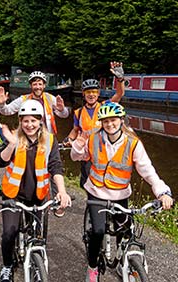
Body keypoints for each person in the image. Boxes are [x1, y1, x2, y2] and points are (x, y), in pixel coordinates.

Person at [69, 102, 174, 282]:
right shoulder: (93, 138)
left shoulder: (133, 143)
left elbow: (147, 170)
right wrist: (78, 145)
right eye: (106, 121)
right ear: (101, 122)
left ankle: (121, 263)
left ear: (121, 120)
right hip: (97, 192)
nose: (110, 124)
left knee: (124, 232)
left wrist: (162, 192)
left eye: (114, 120)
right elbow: (77, 157)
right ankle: (92, 267)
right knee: (98, 231)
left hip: (121, 194)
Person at [0, 99, 72, 282]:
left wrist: (62, 191)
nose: (29, 125)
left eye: (33, 120)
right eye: (25, 121)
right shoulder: (14, 137)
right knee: (8, 233)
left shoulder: (50, 140)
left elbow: (56, 167)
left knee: (39, 235)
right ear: (20, 121)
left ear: (40, 121)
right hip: (13, 194)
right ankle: (7, 267)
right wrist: (11, 144)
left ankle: (37, 264)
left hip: (38, 195)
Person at [64, 62, 125, 190]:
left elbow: (119, 94)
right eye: (88, 92)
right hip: (86, 153)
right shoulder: (78, 112)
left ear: (98, 94)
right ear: (84, 94)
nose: (91, 95)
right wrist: (69, 139)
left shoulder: (104, 107)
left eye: (94, 92)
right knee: (87, 183)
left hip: (104, 151)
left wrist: (120, 79)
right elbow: (75, 130)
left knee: (105, 182)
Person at [0, 71, 69, 135]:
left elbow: (64, 115)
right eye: (35, 84)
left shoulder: (50, 98)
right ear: (31, 85)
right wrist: (2, 104)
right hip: (29, 137)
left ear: (44, 85)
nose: (38, 87)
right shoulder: (23, 99)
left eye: (40, 84)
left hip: (47, 135)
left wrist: (62, 110)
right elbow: (7, 111)